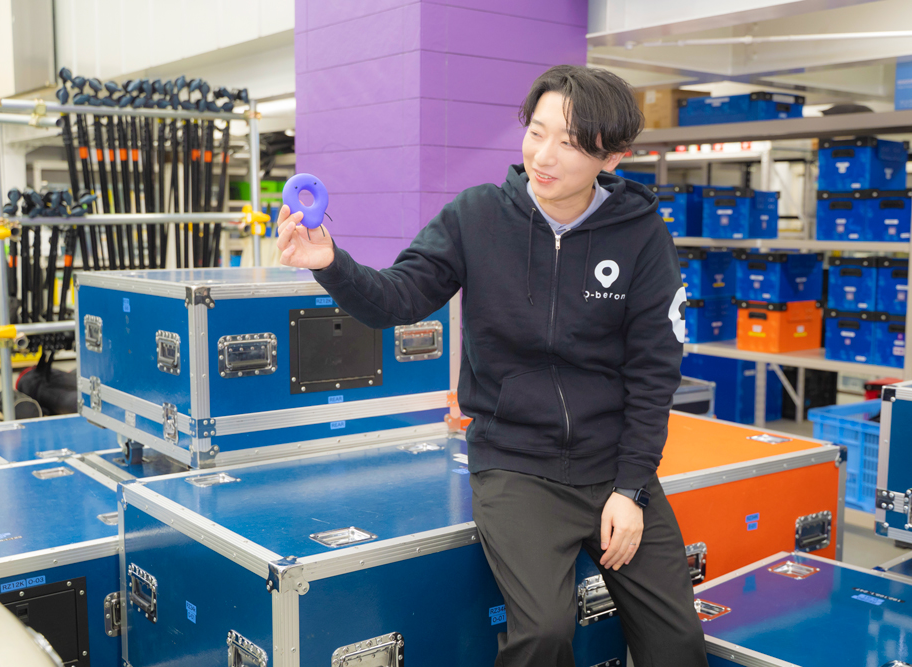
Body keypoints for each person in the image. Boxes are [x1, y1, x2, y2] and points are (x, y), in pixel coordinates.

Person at [276, 65, 706, 667]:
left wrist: (631, 490)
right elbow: (396, 299)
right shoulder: (475, 216)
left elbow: (654, 370)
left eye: (570, 143)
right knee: (545, 632)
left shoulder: (640, 234)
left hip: (613, 465)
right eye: (536, 132)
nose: (544, 156)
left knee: (678, 642)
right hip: (517, 467)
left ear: (612, 158)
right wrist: (330, 262)